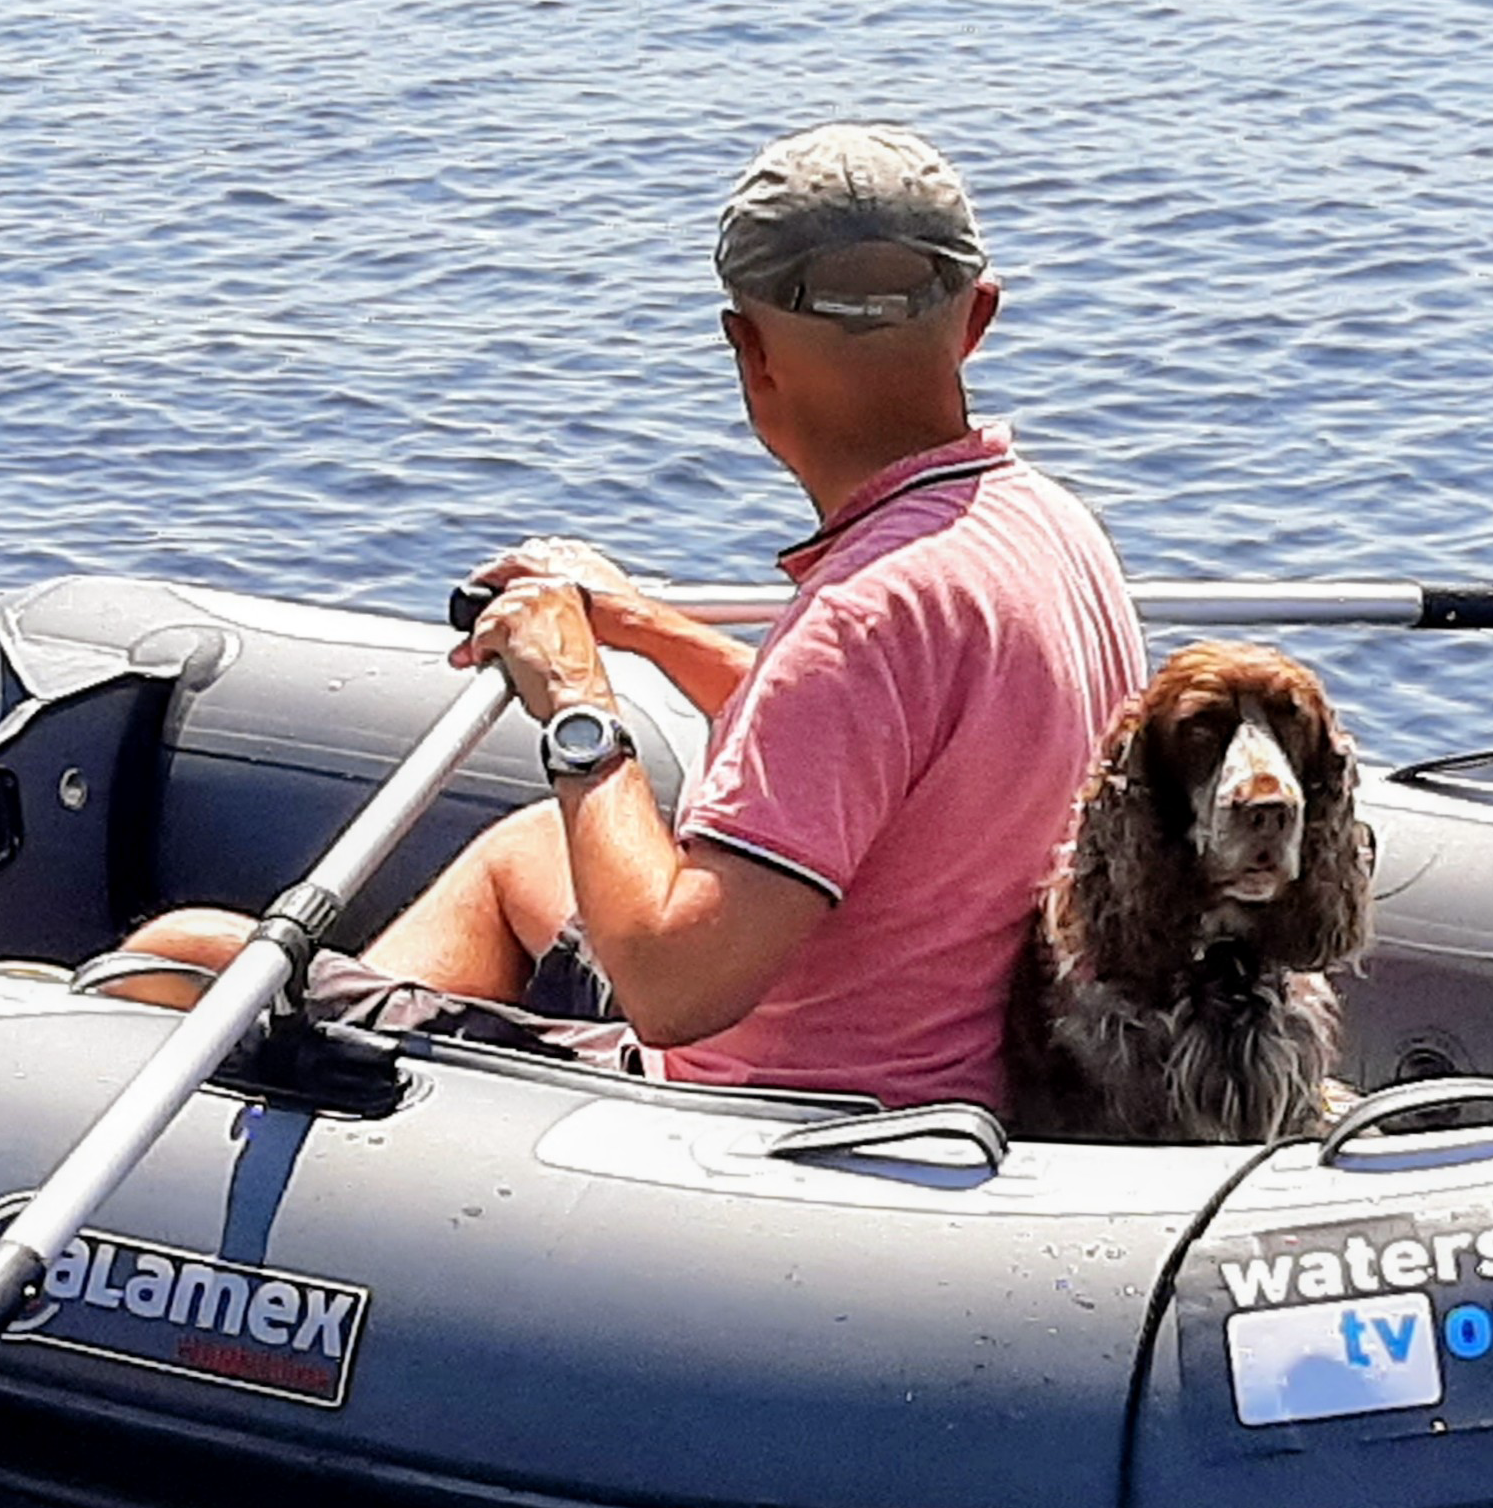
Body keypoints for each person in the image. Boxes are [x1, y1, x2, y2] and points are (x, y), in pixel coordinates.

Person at [103, 122, 1144, 1115]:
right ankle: (362, 1074)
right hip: (958, 1059)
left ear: (751, 352)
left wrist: (578, 704)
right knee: (523, 854)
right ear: (977, 319)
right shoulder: (1045, 529)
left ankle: (349, 1120)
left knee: (183, 952)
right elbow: (875, 740)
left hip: (781, 1114)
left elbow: (670, 983)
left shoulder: (866, 614)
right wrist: (648, 624)